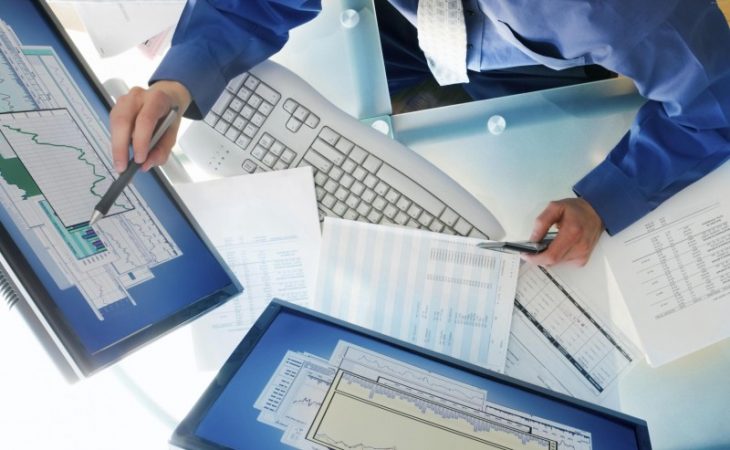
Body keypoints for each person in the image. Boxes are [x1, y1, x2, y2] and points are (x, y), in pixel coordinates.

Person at [110, 0, 730, 267]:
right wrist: (180, 81)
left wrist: (605, 200)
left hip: (533, 58)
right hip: (418, 22)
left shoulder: (613, 11)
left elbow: (715, 104)